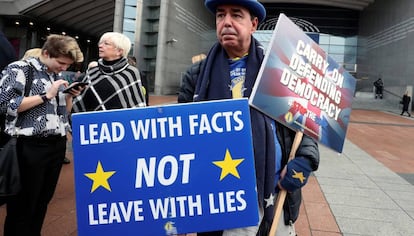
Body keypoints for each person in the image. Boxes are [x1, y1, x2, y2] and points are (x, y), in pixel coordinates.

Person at [178, 1, 319, 235]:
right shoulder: (196, 75)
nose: (227, 22)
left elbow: (304, 124)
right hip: (218, 199)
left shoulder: (279, 70)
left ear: (253, 24)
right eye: (220, 16)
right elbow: (181, 136)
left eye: (236, 15)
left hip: (275, 193)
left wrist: (305, 159)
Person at [0, 34, 84, 235]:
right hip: (29, 145)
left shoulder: (55, 75)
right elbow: (5, 105)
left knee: (42, 202)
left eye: (68, 65)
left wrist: (69, 97)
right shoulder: (19, 69)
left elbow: (61, 113)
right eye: (61, 62)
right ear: (46, 53)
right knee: (23, 205)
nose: (64, 68)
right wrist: (46, 95)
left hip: (56, 145)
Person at [72, 32, 146, 112]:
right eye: (100, 43)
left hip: (121, 121)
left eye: (106, 44)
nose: (100, 46)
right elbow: (80, 102)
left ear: (119, 51)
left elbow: (136, 106)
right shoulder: (92, 73)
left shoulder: (131, 73)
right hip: (94, 121)